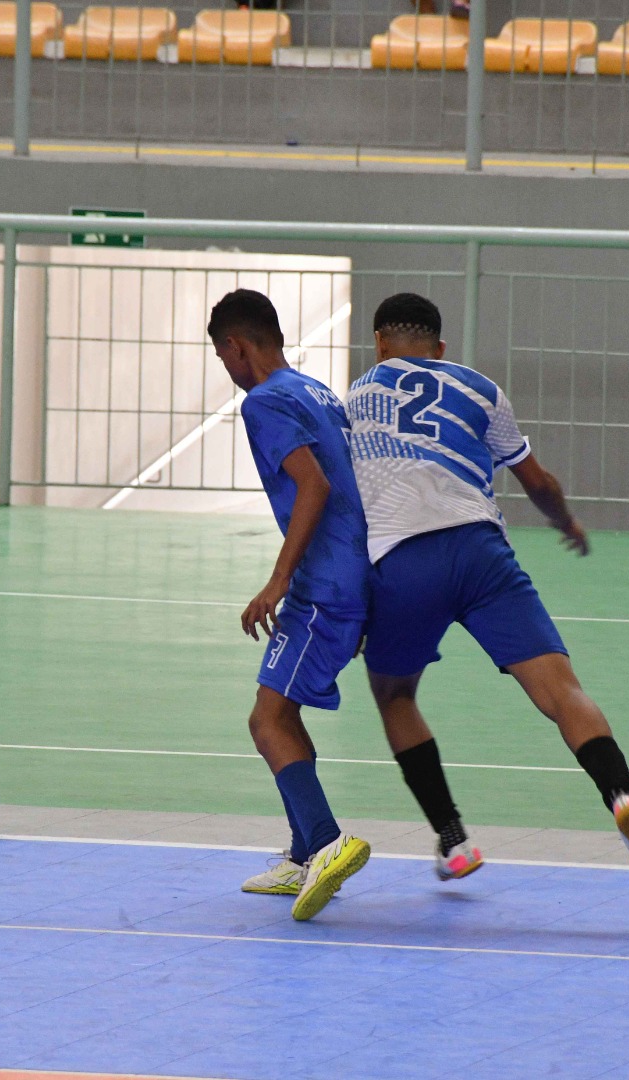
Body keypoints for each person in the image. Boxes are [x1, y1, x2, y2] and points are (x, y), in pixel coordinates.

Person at [345, 292, 629, 894]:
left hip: (402, 559)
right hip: (480, 551)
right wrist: (566, 522)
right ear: (440, 349)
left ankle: (454, 840)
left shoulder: (358, 396)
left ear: (379, 342)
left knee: (395, 695)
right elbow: (537, 481)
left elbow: (346, 500)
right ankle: (626, 799)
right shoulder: (481, 389)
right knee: (562, 691)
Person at [207, 288, 372, 921]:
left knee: (267, 720)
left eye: (222, 353)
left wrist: (278, 581)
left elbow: (315, 483)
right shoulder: (315, 390)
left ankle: (328, 842)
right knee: (282, 708)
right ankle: (305, 852)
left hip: (325, 584)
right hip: (354, 571)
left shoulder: (265, 401)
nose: (225, 365)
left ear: (238, 347)